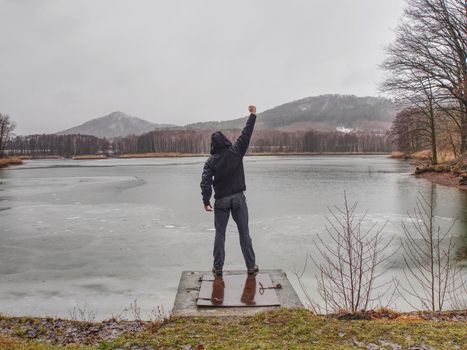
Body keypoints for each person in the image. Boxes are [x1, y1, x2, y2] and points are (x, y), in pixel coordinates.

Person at [200, 105, 259, 277]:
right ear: (225, 140)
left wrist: (206, 201)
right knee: (244, 233)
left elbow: (205, 182)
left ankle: (218, 268)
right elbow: (246, 134)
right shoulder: (236, 151)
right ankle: (251, 266)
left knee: (220, 235)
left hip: (221, 202)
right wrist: (252, 116)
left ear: (213, 145)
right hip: (239, 199)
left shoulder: (210, 162)